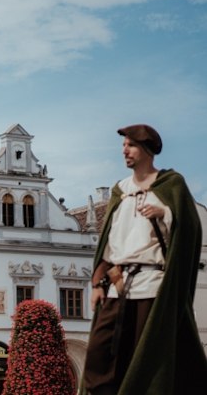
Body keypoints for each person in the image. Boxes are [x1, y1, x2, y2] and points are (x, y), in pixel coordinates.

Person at [82, 124, 207, 394]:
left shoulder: (171, 185)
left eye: (131, 145)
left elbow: (191, 229)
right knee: (99, 357)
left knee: (146, 358)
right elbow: (108, 244)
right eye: (124, 145)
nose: (124, 150)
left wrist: (164, 212)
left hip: (153, 285)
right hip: (118, 284)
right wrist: (96, 284)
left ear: (147, 150)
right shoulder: (120, 190)